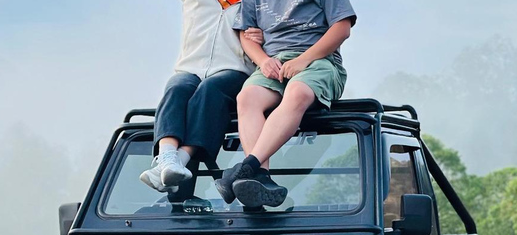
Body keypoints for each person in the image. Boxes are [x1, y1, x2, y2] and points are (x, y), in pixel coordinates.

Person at [215, 0, 357, 208]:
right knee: (246, 98)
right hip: (274, 63)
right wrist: (263, 61)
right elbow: (246, 36)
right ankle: (259, 175)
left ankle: (248, 166)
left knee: (297, 91)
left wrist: (304, 60)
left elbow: (342, 28)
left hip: (320, 62)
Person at [140, 0, 264, 194]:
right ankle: (166, 159)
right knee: (176, 88)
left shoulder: (256, 4)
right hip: (191, 67)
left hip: (235, 69)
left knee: (211, 89)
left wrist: (264, 35)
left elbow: (280, 25)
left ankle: (180, 160)